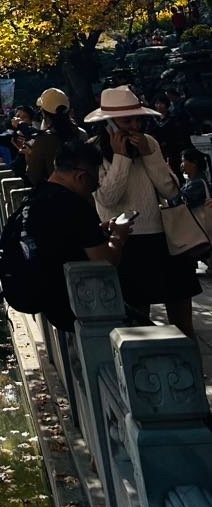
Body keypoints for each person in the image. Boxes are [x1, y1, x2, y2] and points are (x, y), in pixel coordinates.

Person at [86, 85, 199, 337]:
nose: (135, 126)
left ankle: (189, 360)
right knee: (137, 318)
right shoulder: (94, 150)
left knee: (181, 313)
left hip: (164, 236)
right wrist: (121, 158)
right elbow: (108, 197)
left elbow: (170, 191)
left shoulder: (150, 143)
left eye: (138, 119)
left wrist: (150, 156)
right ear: (110, 123)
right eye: (127, 121)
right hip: (127, 241)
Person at [23, 139, 131, 330]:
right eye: (94, 186)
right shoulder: (75, 206)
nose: (92, 192)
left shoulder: (34, 197)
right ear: (81, 177)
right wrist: (118, 238)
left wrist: (97, 232)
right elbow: (105, 262)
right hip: (79, 308)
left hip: (45, 299)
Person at [25, 88, 83, 188]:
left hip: (57, 196)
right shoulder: (82, 134)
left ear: (43, 113)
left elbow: (34, 177)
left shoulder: (44, 139)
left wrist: (30, 156)